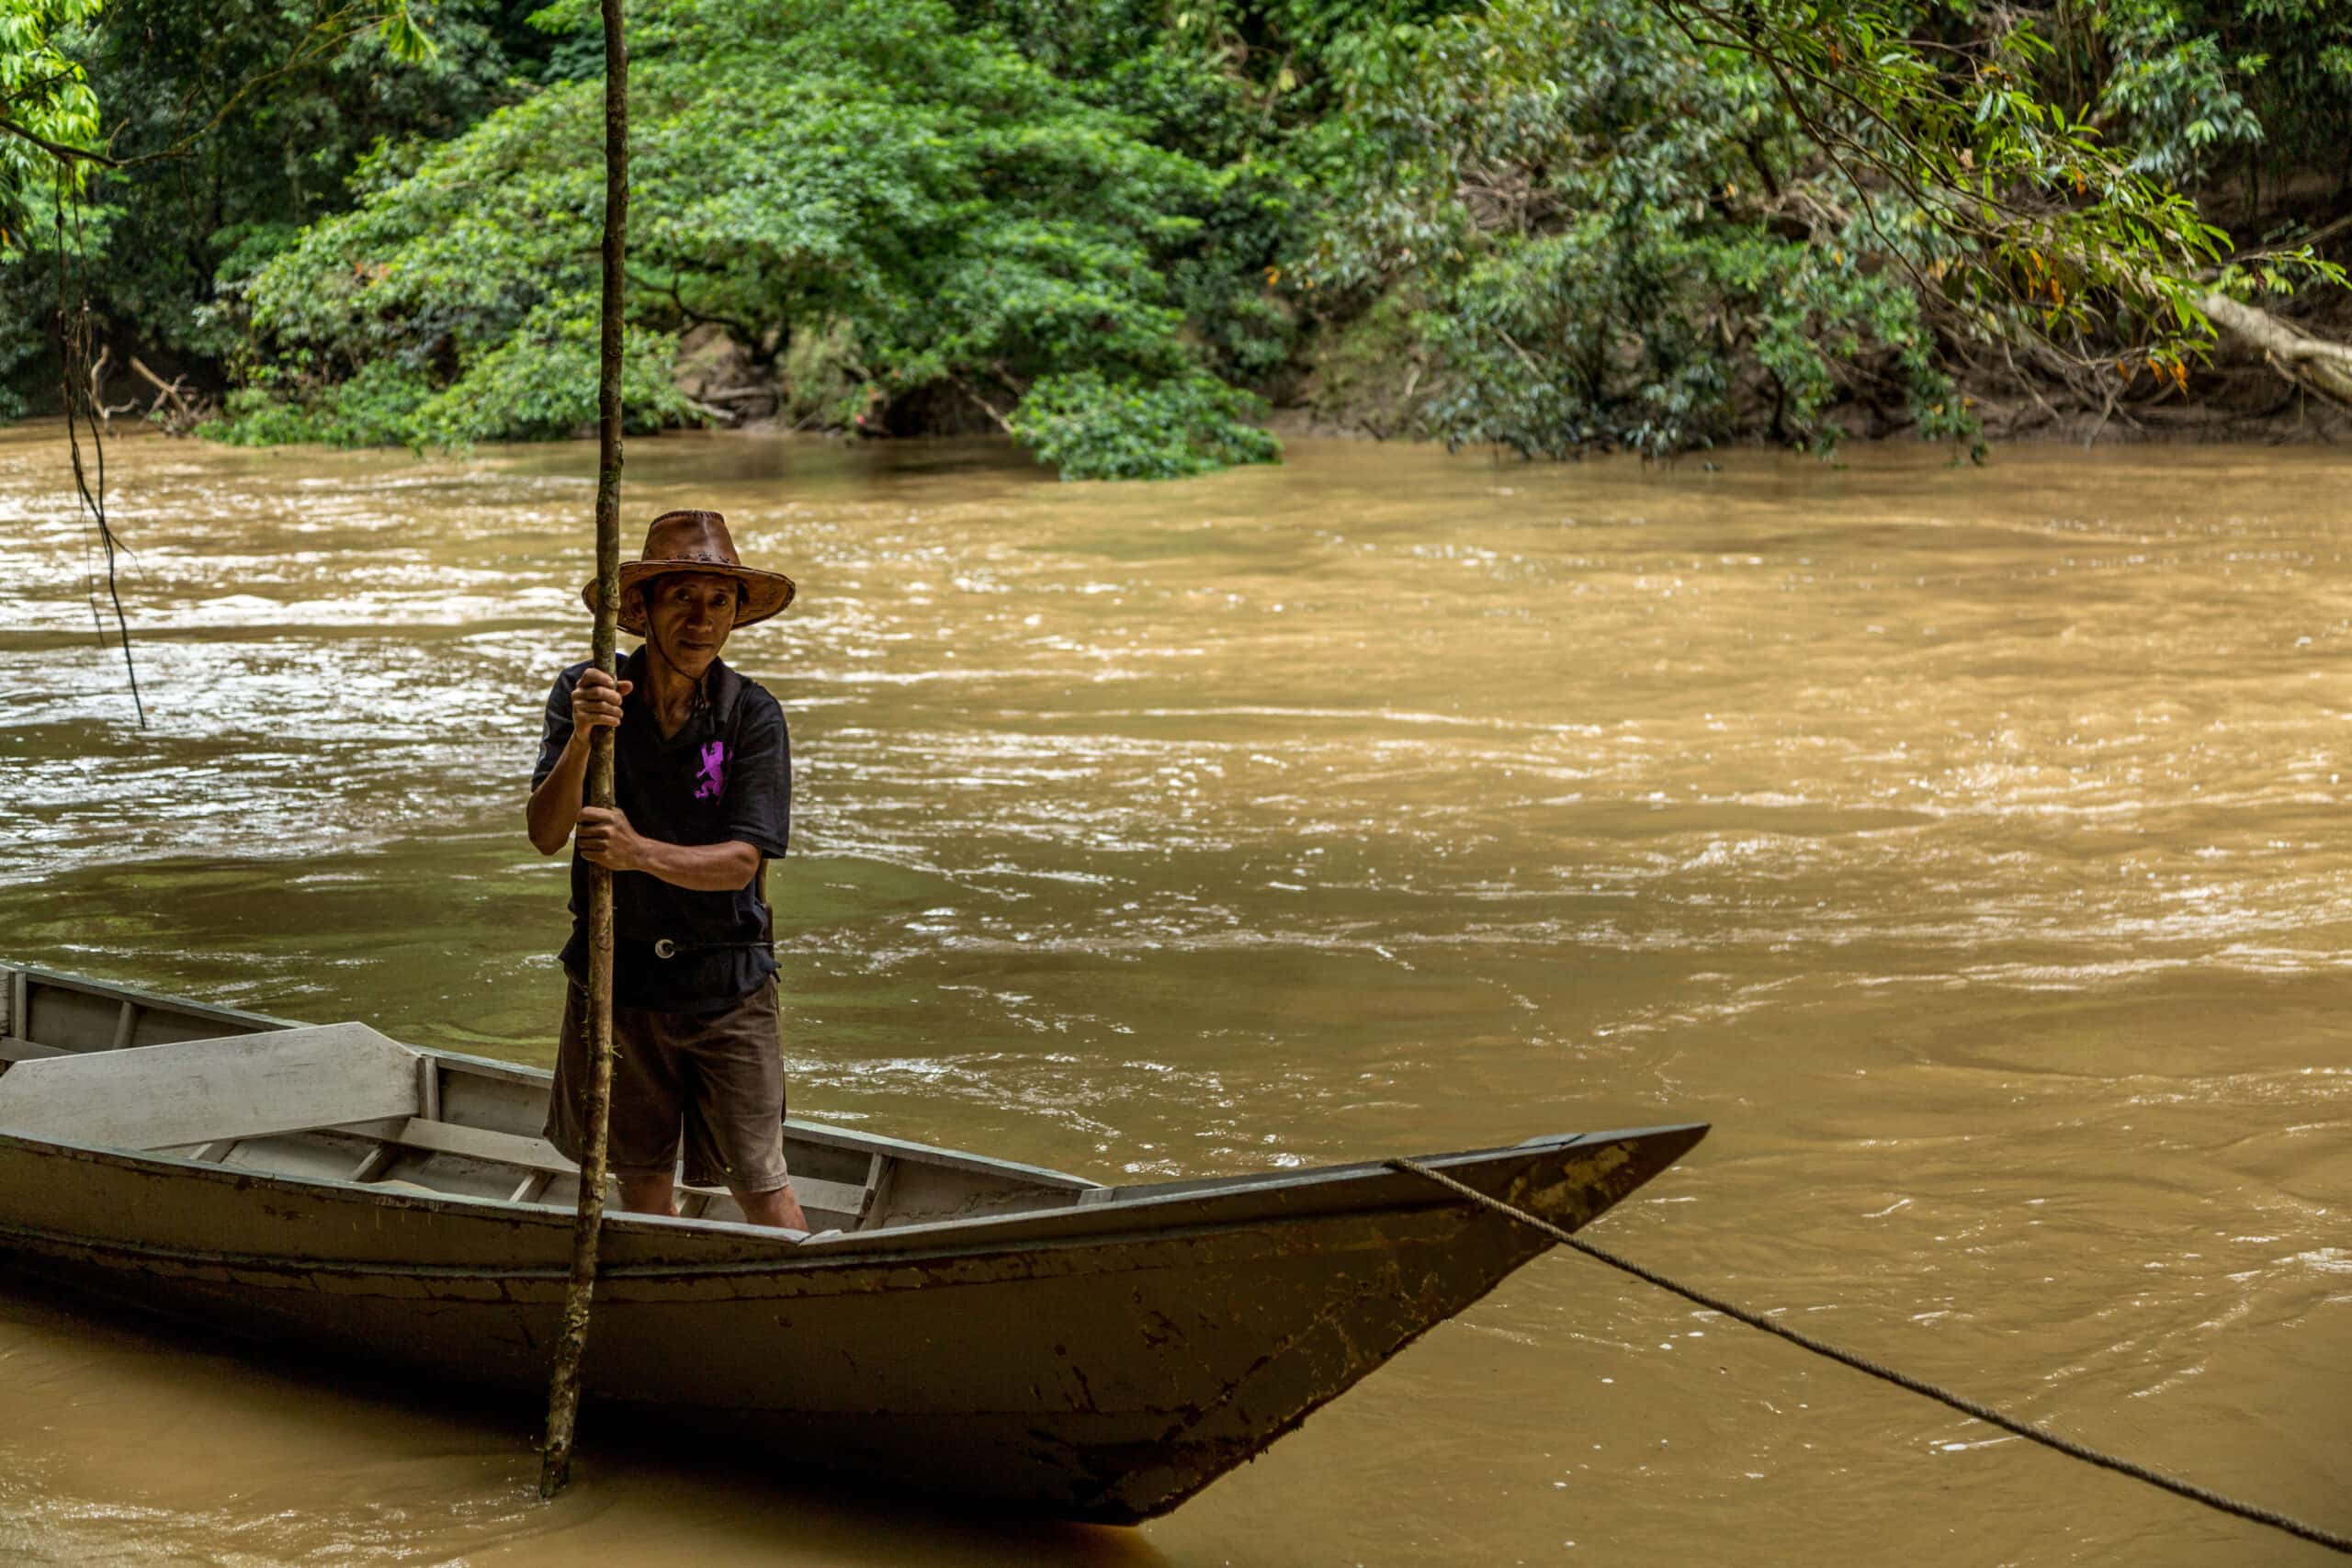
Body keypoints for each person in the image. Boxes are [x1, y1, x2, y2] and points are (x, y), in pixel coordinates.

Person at [525, 508, 809, 1231]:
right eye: (681, 597)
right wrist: (586, 738)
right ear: (642, 608)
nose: (701, 619)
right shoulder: (587, 693)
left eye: (718, 601)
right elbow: (546, 832)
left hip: (726, 985)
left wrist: (637, 852)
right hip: (618, 986)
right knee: (641, 1183)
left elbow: (743, 863)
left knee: (763, 1186)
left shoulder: (752, 715)